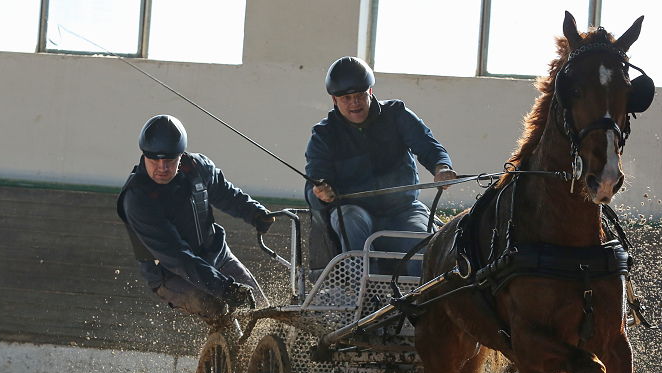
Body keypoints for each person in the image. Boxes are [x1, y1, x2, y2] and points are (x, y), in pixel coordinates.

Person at [117, 114, 276, 328]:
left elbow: (225, 193)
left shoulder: (198, 167)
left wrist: (254, 213)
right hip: (170, 274)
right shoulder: (137, 199)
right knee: (214, 305)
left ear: (181, 155)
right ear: (144, 155)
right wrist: (225, 288)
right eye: (154, 160)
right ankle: (226, 356)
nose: (162, 168)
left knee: (259, 306)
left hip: (218, 256)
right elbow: (177, 257)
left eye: (170, 160)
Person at [304, 56, 457, 271]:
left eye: (359, 95)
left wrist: (441, 167)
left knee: (422, 240)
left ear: (370, 92)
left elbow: (429, 147)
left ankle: (422, 299)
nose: (354, 103)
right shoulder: (323, 135)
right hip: (356, 213)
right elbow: (313, 187)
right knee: (349, 219)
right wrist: (321, 194)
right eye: (346, 98)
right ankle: (362, 295)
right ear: (334, 100)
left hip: (404, 210)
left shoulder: (397, 114)